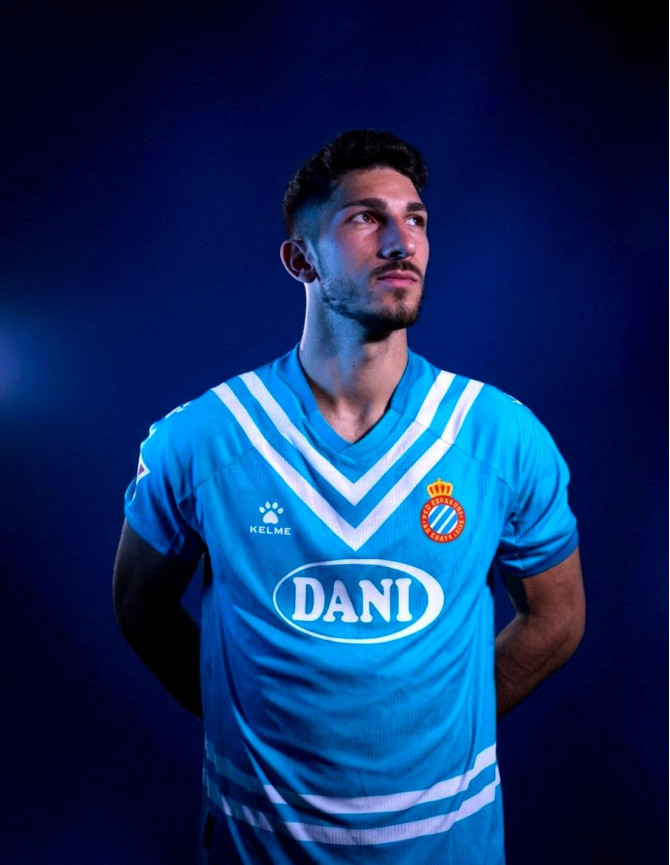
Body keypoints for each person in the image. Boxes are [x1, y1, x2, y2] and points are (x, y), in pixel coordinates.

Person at [113, 130, 585, 864]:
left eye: (416, 218)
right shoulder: (201, 439)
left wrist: (444, 722)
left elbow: (557, 618)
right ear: (300, 259)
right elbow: (138, 604)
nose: (402, 241)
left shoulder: (502, 436)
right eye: (366, 217)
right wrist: (247, 720)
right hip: (258, 847)